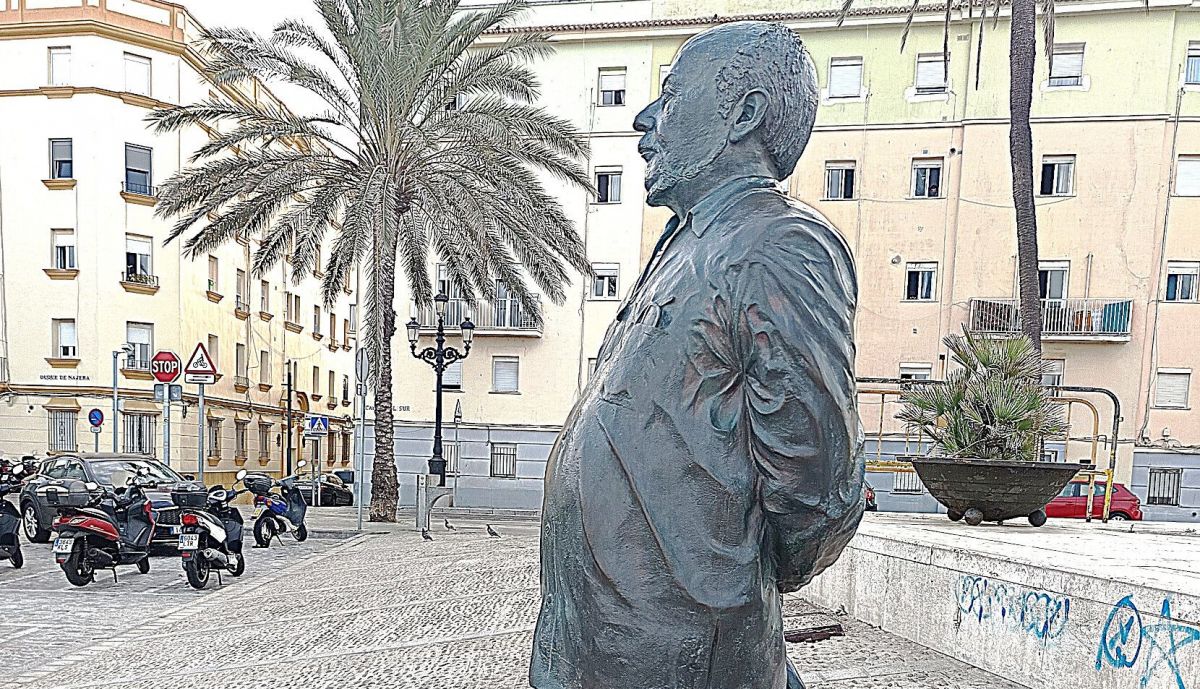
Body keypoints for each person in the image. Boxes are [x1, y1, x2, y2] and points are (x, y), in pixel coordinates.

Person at [531, 20, 865, 689]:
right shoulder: (685, 243)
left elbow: (816, 488)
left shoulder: (780, 243)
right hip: (597, 643)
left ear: (743, 115)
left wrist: (724, 581)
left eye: (672, 96)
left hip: (677, 655)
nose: (646, 119)